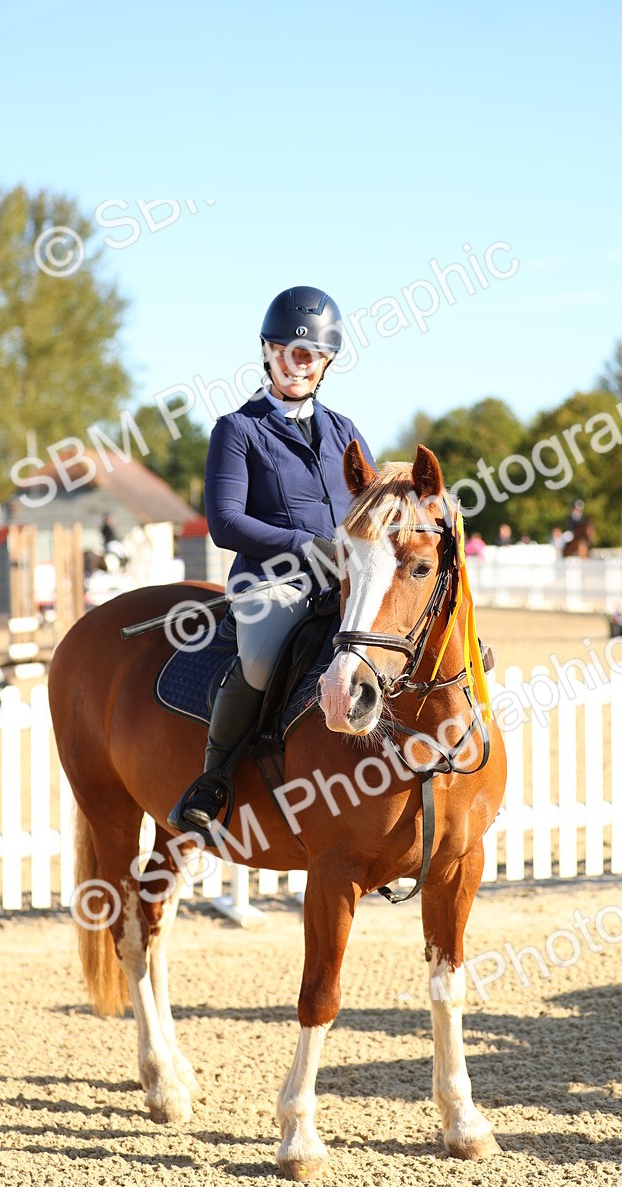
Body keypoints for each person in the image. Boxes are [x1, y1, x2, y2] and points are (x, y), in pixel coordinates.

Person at [168, 286, 376, 835]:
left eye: (310, 355)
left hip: (344, 581)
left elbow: (372, 508)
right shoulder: (237, 430)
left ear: (327, 361)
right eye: (287, 350)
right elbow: (226, 523)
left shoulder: (346, 431)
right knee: (261, 660)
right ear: (266, 350)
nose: (298, 363)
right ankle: (213, 780)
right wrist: (307, 546)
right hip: (272, 583)